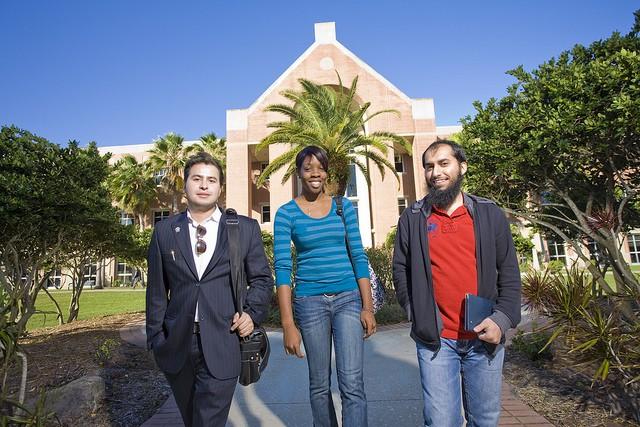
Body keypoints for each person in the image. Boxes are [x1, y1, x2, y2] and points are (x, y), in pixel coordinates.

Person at [392, 140, 521, 427]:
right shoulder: (412, 218)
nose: (435, 172)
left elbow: (510, 274)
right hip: (437, 342)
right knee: (440, 421)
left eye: (443, 163)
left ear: (461, 167)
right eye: (429, 166)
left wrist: (501, 320)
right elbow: (400, 269)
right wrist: (415, 310)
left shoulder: (489, 214)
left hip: (483, 339)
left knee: (485, 420)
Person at [146, 152, 273, 427]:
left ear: (220, 187)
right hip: (176, 344)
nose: (204, 185)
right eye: (197, 178)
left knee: (207, 421)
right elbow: (156, 292)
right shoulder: (164, 231)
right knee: (192, 420)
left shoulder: (244, 229)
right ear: (186, 184)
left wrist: (252, 314)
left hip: (223, 341)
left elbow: (262, 279)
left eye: (211, 180)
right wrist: (156, 340)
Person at [274, 145, 376, 427]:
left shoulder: (343, 207)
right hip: (309, 304)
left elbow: (358, 255)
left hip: (348, 300)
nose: (314, 173)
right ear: (298, 173)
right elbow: (282, 270)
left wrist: (368, 307)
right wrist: (288, 324)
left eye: (319, 167)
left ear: (327, 172)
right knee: (319, 385)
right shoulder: (286, 214)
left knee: (352, 383)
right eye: (308, 168)